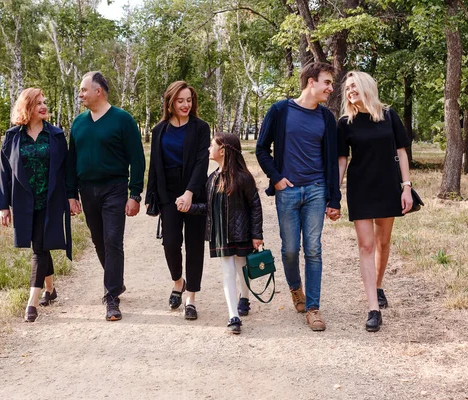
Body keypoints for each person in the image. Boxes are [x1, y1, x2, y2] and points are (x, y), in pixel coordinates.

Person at [256, 62, 341, 332]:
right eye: (326, 82)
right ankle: (296, 289)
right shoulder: (281, 111)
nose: (330, 88)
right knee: (291, 249)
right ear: (311, 82)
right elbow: (261, 149)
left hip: (316, 190)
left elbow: (333, 159)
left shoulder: (326, 118)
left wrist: (334, 198)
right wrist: (277, 178)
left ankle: (314, 308)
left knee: (313, 249)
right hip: (288, 192)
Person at [337, 70, 413, 332]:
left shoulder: (389, 115)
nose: (350, 91)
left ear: (366, 86)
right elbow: (342, 160)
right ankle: (373, 308)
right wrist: (335, 193)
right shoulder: (345, 122)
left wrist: (406, 188)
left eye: (354, 85)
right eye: (347, 88)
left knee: (383, 242)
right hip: (361, 189)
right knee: (366, 246)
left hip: (388, 187)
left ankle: (378, 285)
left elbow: (402, 152)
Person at [66, 71, 145, 321]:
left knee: (112, 240)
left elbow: (137, 159)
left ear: (98, 91)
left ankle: (111, 297)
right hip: (87, 190)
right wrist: (71, 194)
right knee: (99, 241)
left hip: (115, 188)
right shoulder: (78, 123)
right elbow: (71, 162)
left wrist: (135, 193)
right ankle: (117, 281)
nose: (80, 94)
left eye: (83, 89)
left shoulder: (122, 120)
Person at [0, 88, 72, 323]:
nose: (43, 106)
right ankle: (50, 290)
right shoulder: (12, 136)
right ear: (27, 107)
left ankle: (31, 303)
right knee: (40, 244)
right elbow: (4, 172)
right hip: (24, 202)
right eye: (38, 103)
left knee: (39, 248)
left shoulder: (56, 135)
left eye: (45, 102)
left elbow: (65, 170)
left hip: (50, 200)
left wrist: (71, 196)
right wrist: (3, 206)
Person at [183, 133, 263, 334]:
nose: (209, 149)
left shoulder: (244, 178)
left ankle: (244, 298)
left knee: (243, 269)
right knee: (228, 272)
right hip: (220, 235)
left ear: (223, 150)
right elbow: (208, 208)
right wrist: (189, 207)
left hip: (242, 233)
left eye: (212, 145)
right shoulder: (211, 179)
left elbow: (255, 205)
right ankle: (233, 315)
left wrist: (257, 234)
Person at [145, 81, 209, 320]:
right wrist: (152, 197)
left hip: (194, 192)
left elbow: (202, 163)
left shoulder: (201, 128)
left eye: (189, 100)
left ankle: (191, 298)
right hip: (167, 194)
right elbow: (154, 166)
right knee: (170, 243)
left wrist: (190, 193)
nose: (185, 105)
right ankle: (178, 282)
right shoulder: (159, 130)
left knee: (194, 246)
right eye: (180, 100)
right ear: (170, 103)